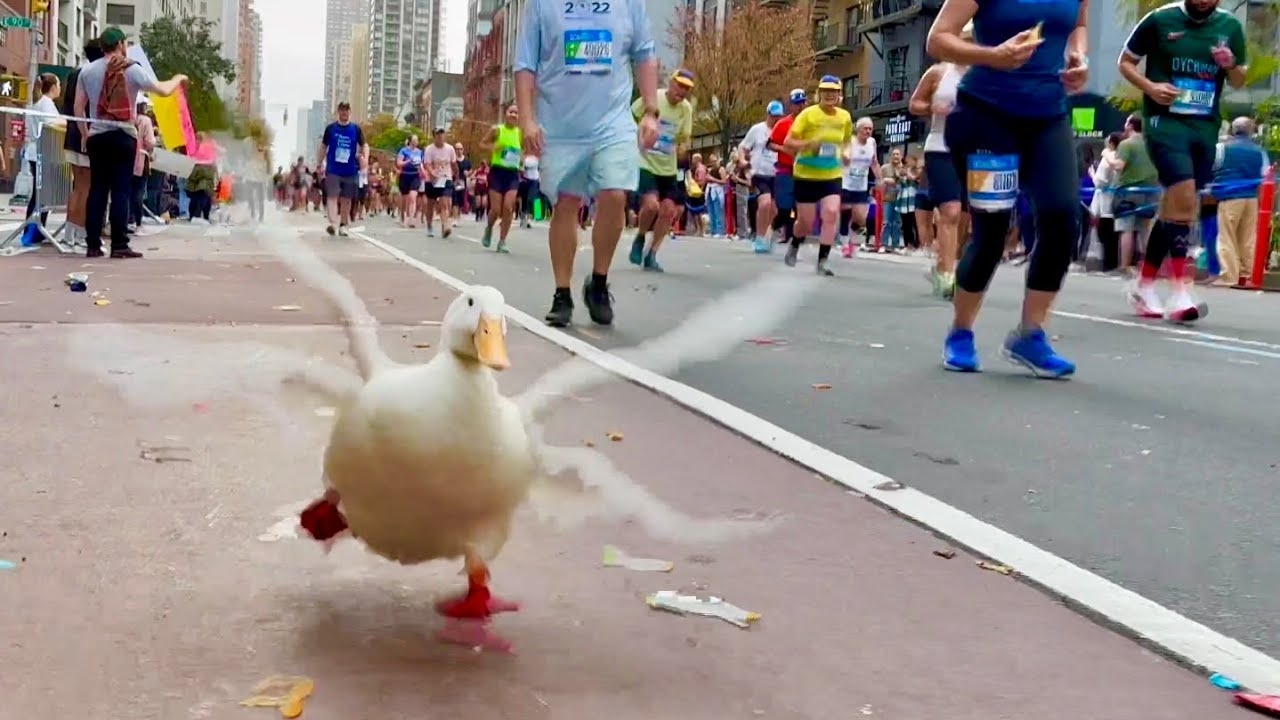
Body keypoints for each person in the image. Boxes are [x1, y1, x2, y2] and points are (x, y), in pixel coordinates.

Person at [927, 0, 1088, 377]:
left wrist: (1077, 56)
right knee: (992, 230)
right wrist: (992, 55)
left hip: (1049, 114)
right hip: (987, 114)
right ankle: (961, 332)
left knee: (1063, 217)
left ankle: (1030, 335)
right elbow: (937, 39)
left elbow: (1077, 26)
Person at [514, 0, 659, 327]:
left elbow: (645, 53)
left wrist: (651, 111)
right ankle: (562, 293)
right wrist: (527, 120)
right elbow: (525, 65)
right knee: (567, 203)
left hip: (613, 122)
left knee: (615, 194)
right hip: (561, 127)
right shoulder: (541, 5)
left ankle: (598, 281)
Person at [1118, 0, 1247, 323]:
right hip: (1166, 123)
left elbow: (1240, 79)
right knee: (1185, 195)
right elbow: (1126, 62)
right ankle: (1180, 290)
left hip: (1204, 125)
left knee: (1175, 204)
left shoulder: (1229, 27)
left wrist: (1230, 64)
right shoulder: (1160, 20)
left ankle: (1144, 285)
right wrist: (1150, 87)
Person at [74, 26, 187, 259]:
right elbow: (163, 90)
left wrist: (85, 134)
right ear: (121, 45)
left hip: (97, 135)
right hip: (124, 135)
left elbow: (78, 107)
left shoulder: (86, 71)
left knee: (97, 190)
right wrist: (178, 78)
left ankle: (93, 245)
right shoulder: (132, 70)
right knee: (121, 191)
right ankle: (119, 245)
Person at [782, 75, 853, 276]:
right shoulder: (808, 115)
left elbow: (847, 140)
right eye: (826, 91)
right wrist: (807, 145)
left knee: (831, 213)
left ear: (840, 95)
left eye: (834, 91)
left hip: (831, 174)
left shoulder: (844, 117)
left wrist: (847, 153)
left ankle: (822, 261)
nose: (830, 95)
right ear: (819, 93)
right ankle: (795, 243)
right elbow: (788, 143)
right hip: (806, 174)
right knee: (806, 222)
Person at [629, 68, 694, 272]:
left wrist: (682, 147)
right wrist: (639, 135)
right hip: (645, 161)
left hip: (668, 167)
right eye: (679, 85)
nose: (682, 91)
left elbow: (684, 137)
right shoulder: (654, 97)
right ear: (671, 82)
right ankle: (640, 237)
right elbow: (631, 114)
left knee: (669, 211)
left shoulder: (686, 110)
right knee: (651, 206)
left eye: (687, 88)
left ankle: (652, 254)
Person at [1212, 116, 1269, 286]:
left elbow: (1212, 167)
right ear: (1251, 131)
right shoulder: (1260, 151)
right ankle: (1248, 275)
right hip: (1251, 198)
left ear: (1233, 130)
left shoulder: (1221, 148)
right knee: (1248, 238)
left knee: (1226, 237)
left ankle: (1229, 276)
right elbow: (1265, 175)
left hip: (1229, 198)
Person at [62, 39, 105, 243]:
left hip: (71, 135)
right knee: (87, 187)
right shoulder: (94, 75)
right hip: (87, 135)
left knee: (77, 187)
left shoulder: (73, 73)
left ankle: (70, 232)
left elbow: (67, 106)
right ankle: (80, 233)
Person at [738, 101, 784, 253]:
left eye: (778, 117)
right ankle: (759, 237)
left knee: (775, 210)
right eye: (773, 116)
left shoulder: (784, 130)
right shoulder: (757, 129)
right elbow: (743, 147)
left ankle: (767, 236)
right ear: (768, 114)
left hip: (778, 174)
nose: (775, 120)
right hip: (759, 173)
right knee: (764, 204)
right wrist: (743, 160)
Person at [319, 101, 367, 236]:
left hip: (350, 169)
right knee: (332, 196)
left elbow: (365, 145)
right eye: (342, 110)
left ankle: (343, 225)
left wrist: (366, 158)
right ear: (338, 112)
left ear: (350, 112)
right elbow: (323, 146)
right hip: (333, 169)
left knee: (347, 199)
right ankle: (333, 224)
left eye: (346, 110)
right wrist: (319, 162)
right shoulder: (331, 129)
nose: (344, 112)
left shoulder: (355, 129)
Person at [768, 90, 808, 249]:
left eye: (803, 102)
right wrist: (785, 149)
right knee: (785, 209)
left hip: (806, 171)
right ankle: (770, 232)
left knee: (801, 209)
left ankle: (794, 240)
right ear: (791, 105)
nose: (801, 106)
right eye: (797, 103)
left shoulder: (811, 123)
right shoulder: (783, 124)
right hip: (786, 171)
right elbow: (770, 144)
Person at [481, 104, 522, 251]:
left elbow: (524, 150)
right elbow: (482, 144)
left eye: (516, 113)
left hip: (512, 173)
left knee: (508, 208)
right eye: (511, 112)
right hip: (497, 172)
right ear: (505, 113)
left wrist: (522, 159)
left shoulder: (520, 133)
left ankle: (502, 241)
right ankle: (489, 228)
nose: (513, 115)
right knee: (496, 209)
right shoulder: (497, 130)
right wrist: (493, 148)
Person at [839, 117, 881, 260]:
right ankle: (845, 244)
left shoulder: (872, 143)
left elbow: (874, 163)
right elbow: (842, 157)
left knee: (860, 217)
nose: (868, 131)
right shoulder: (850, 141)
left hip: (861, 186)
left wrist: (879, 179)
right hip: (846, 183)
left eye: (870, 129)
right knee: (846, 215)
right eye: (865, 128)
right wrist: (844, 156)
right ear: (858, 129)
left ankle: (853, 241)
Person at [24, 72, 61, 227]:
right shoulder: (46, 102)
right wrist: (66, 122)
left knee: (39, 194)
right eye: (58, 85)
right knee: (41, 194)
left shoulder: (39, 102)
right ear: (53, 87)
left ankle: (36, 229)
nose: (60, 88)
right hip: (42, 151)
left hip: (37, 151)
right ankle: (35, 229)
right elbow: (50, 123)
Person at [422, 127, 458, 238]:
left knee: (445, 204)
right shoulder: (429, 149)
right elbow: (426, 164)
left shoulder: (450, 149)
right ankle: (429, 225)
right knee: (430, 204)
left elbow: (453, 163)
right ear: (434, 136)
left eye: (442, 134)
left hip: (446, 178)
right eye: (438, 134)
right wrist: (431, 173)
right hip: (433, 180)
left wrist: (456, 175)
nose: (440, 136)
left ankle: (445, 226)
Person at [395, 134, 424, 227]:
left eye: (417, 140)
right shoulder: (403, 151)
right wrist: (408, 161)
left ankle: (411, 219)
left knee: (412, 197)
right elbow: (399, 164)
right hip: (405, 175)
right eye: (414, 140)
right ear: (410, 141)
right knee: (404, 199)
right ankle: (403, 217)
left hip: (415, 176)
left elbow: (422, 164)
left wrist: (423, 172)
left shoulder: (420, 152)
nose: (416, 142)